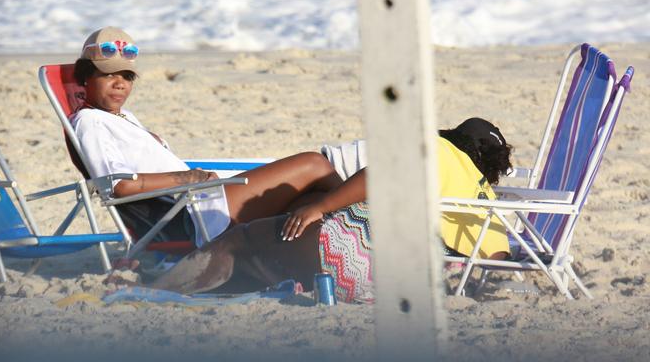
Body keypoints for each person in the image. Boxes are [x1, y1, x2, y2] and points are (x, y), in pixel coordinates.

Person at [147, 117, 514, 303]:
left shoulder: (440, 149)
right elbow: (497, 265)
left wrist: (321, 207)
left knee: (239, 240)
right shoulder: (487, 202)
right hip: (414, 286)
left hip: (359, 259)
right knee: (266, 255)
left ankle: (154, 292)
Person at [71, 26, 344, 246]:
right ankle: (369, 223)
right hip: (193, 216)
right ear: (86, 78)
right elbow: (119, 186)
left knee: (306, 201)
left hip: (197, 201)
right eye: (108, 75)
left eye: (127, 76)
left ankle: (353, 240)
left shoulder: (120, 117)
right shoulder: (90, 121)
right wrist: (189, 177)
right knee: (314, 165)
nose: (120, 83)